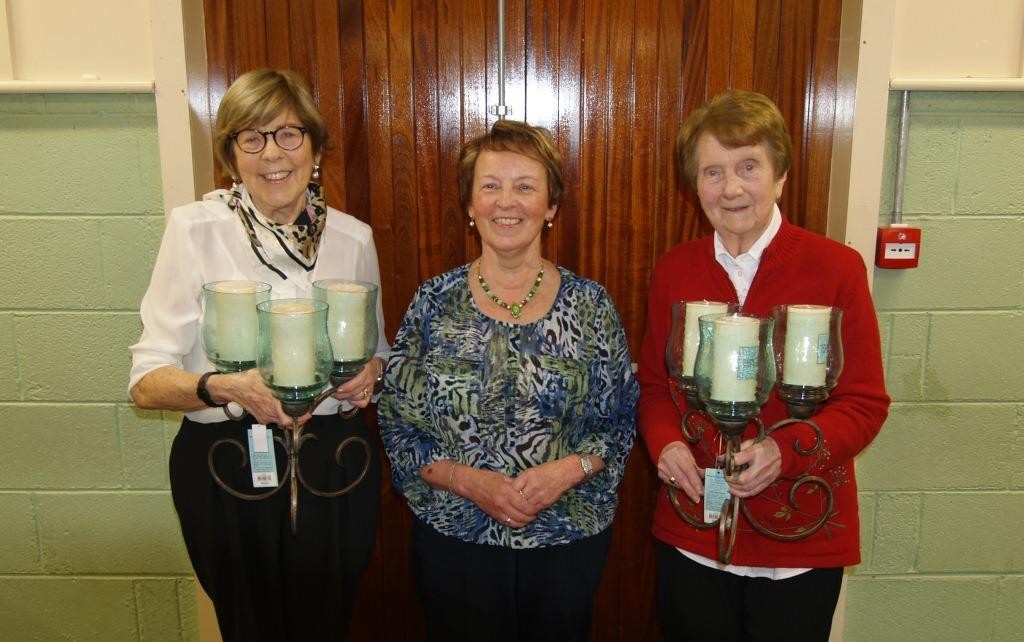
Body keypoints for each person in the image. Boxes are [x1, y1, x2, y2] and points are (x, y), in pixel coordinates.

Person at [128, 68, 388, 641]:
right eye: (252, 136)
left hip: (334, 460)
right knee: (251, 629)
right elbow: (146, 381)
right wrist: (221, 387)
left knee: (328, 624)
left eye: (290, 134)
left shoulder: (352, 238)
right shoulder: (196, 230)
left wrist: (370, 374)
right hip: (227, 460)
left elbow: (379, 355)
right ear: (232, 155)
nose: (273, 153)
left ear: (315, 149)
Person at [637, 90, 890, 641]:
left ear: (780, 176)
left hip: (801, 532)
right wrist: (668, 445)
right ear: (694, 185)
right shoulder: (676, 271)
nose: (730, 188)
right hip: (696, 530)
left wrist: (786, 449)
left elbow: (866, 403)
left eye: (748, 167)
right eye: (712, 172)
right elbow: (655, 387)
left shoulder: (836, 268)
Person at [378, 119, 638, 642]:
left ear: (551, 206)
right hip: (456, 542)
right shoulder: (434, 303)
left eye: (526, 187)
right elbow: (399, 426)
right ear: (470, 206)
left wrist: (564, 472)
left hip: (567, 540)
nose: (507, 202)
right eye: (491, 186)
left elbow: (618, 425)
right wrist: (471, 482)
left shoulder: (591, 306)